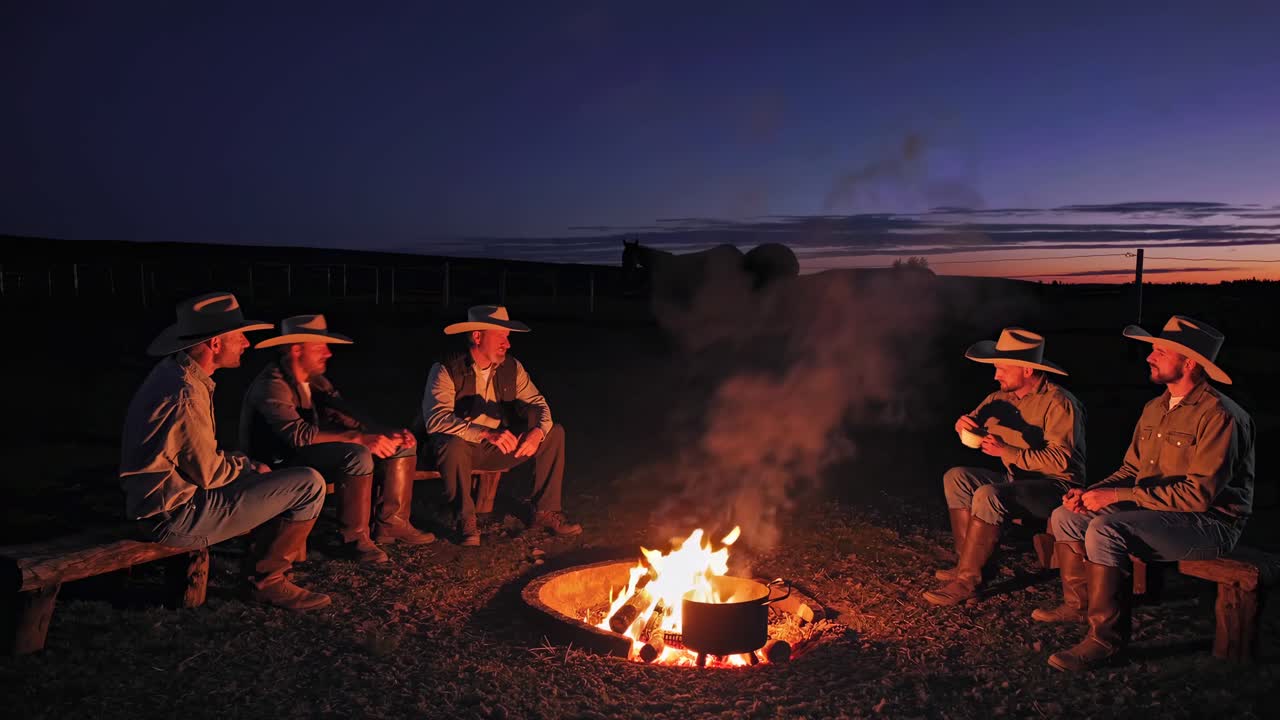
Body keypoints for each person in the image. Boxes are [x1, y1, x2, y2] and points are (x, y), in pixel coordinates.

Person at [1045, 316, 1254, 672]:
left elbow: (1198, 496)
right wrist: (1090, 493)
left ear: (1189, 362)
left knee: (1106, 529)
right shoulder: (1155, 408)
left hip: (1210, 523)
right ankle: (1080, 604)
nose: (1149, 357)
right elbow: (1131, 470)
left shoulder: (1220, 416)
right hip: (1159, 513)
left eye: (1160, 350)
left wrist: (1115, 498)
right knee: (1067, 516)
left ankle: (1105, 641)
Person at [120, 292, 331, 611]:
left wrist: (244, 466)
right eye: (241, 336)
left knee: (273, 479)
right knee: (309, 484)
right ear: (215, 343)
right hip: (176, 515)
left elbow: (196, 458)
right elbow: (209, 472)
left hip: (159, 503)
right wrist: (248, 468)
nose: (247, 344)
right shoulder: (185, 395)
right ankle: (266, 582)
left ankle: (265, 566)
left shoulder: (176, 373)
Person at [241, 314, 435, 565]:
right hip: (276, 460)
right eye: (320, 347)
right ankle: (354, 539)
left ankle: (393, 523)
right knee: (357, 454)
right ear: (297, 350)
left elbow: (346, 416)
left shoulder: (316, 381)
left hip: (307, 453)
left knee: (398, 445)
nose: (328, 353)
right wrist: (359, 438)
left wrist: (382, 432)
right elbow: (297, 435)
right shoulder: (272, 385)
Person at [923, 328, 1087, 606]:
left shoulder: (1060, 403)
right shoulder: (1000, 398)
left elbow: (1061, 460)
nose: (996, 375)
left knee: (989, 494)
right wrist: (961, 425)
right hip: (1017, 479)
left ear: (1025, 370)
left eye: (1001, 368)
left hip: (1055, 486)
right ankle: (967, 565)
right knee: (957, 477)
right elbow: (972, 422)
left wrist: (1007, 451)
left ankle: (967, 582)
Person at [421, 305, 582, 546]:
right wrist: (485, 432)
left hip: (497, 449)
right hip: (456, 453)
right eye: (501, 337)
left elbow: (538, 403)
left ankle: (545, 512)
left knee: (553, 432)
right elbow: (436, 419)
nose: (507, 344)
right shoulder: (446, 368)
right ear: (477, 336)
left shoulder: (511, 367)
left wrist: (537, 432)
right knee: (453, 444)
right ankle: (465, 519)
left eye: (507, 338)